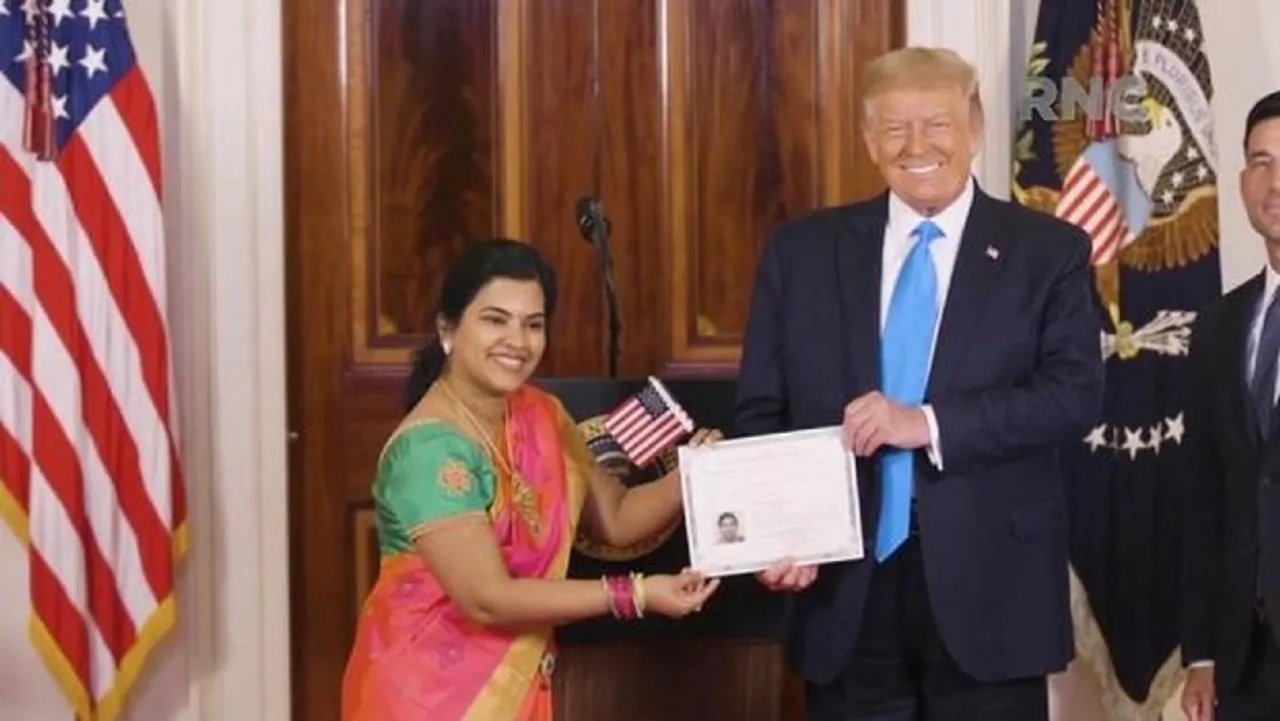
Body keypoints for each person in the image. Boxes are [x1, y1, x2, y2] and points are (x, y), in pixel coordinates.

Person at [734, 47, 1104, 720]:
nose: (917, 146)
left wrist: (927, 422)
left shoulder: (1048, 251)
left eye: (937, 123)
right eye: (895, 128)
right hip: (843, 589)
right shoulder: (803, 253)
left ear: (975, 129)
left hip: (993, 592)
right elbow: (762, 407)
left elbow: (1073, 395)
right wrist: (777, 533)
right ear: (869, 142)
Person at [340, 238, 721, 721]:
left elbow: (617, 519)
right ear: (448, 329)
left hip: (516, 687)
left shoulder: (543, 414)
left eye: (533, 324)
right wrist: (638, 594)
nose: (517, 342)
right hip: (426, 695)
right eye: (495, 320)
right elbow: (487, 600)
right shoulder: (428, 450)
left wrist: (695, 474)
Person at [1180, 90, 1280, 721]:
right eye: (1261, 161)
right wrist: (1203, 654)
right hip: (1244, 660)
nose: (1276, 181)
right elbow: (1204, 497)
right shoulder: (1218, 326)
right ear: (1241, 181)